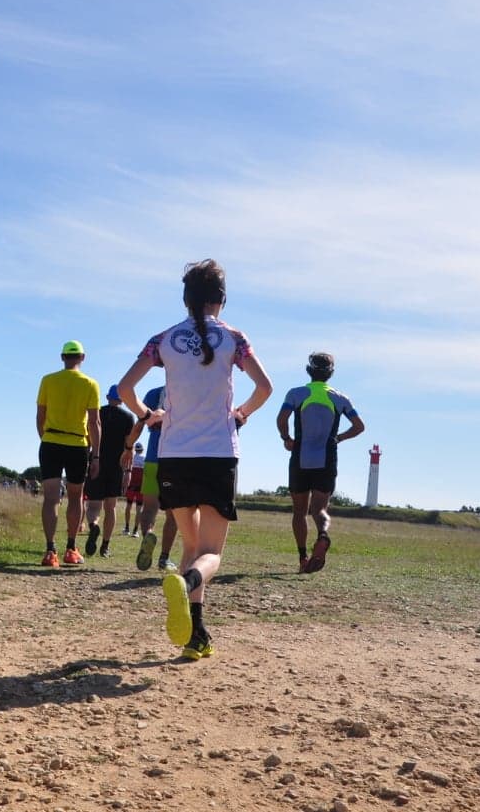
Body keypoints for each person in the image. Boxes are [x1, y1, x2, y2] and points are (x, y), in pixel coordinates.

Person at [117, 259, 273, 661]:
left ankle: (195, 636)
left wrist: (147, 415)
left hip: (174, 455)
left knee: (190, 544)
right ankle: (185, 586)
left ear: (186, 299)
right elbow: (264, 387)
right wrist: (241, 414)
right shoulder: (234, 338)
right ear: (221, 299)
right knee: (211, 555)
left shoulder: (163, 339)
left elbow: (126, 386)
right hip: (218, 453)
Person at [277, 351, 365, 573]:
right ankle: (323, 536)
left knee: (299, 512)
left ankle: (303, 557)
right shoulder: (340, 398)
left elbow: (281, 419)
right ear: (331, 373)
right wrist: (339, 438)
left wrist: (287, 439)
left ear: (309, 371)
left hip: (300, 458)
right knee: (320, 510)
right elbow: (359, 426)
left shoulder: (296, 393)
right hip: (326, 459)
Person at [36, 341, 101, 566]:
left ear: (62, 357)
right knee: (75, 497)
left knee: (51, 498)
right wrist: (96, 455)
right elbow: (95, 422)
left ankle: (50, 550)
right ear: (82, 357)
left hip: (51, 442)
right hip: (77, 445)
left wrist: (45, 439)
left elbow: (40, 416)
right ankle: (71, 548)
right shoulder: (90, 384)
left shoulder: (48, 380)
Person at [83, 385, 139, 558]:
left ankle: (93, 526)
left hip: (97, 462)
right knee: (111, 507)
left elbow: (89, 439)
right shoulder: (128, 417)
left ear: (107, 397)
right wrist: (128, 471)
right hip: (117, 466)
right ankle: (105, 546)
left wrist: (89, 460)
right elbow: (129, 446)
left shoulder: (96, 413)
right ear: (122, 399)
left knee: (93, 506)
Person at [134, 383, 179, 571]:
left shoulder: (153, 393)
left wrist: (129, 447)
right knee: (174, 513)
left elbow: (140, 423)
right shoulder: (188, 390)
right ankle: (164, 557)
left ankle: (147, 536)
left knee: (149, 507)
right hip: (177, 458)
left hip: (152, 456)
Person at [121, 442, 146, 536]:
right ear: (142, 450)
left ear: (135, 450)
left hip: (131, 486)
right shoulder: (145, 459)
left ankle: (127, 528)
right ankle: (135, 531)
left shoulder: (132, 458)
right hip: (141, 486)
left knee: (128, 505)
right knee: (139, 508)